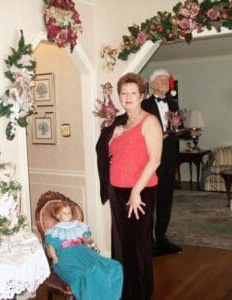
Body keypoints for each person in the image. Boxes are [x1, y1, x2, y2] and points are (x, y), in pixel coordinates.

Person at [96, 72, 163, 300]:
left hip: (139, 192)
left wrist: (136, 191)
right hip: (118, 192)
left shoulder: (150, 121)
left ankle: (140, 294)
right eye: (124, 93)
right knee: (121, 246)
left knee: (137, 247)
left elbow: (155, 160)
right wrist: (113, 138)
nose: (128, 97)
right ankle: (124, 293)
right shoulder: (120, 122)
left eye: (133, 92)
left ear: (142, 95)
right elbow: (109, 154)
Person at [44, 201, 123, 300]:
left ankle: (108, 296)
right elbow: (50, 246)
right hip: (67, 257)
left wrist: (93, 246)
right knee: (87, 273)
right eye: (65, 213)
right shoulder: (54, 231)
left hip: (83, 252)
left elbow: (87, 238)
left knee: (113, 266)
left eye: (69, 213)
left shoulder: (78, 225)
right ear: (57, 215)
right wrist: (54, 257)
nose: (68, 215)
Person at [141, 68, 183, 256]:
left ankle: (162, 237)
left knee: (166, 199)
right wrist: (160, 135)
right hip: (150, 159)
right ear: (152, 83)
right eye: (162, 79)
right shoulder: (144, 104)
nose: (166, 82)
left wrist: (182, 128)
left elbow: (176, 127)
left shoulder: (173, 103)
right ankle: (147, 241)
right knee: (149, 200)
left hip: (169, 158)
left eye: (167, 79)